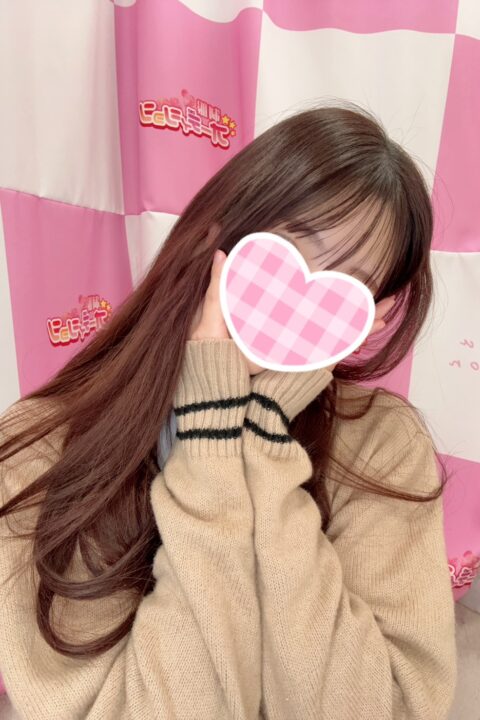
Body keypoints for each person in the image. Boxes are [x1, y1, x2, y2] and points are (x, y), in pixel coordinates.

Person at [0, 102, 457, 719]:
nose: (302, 293)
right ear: (217, 235)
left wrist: (264, 439)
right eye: (290, 248)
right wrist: (211, 436)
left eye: (345, 285)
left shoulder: (382, 445)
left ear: (369, 318)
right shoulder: (41, 451)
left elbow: (391, 708)